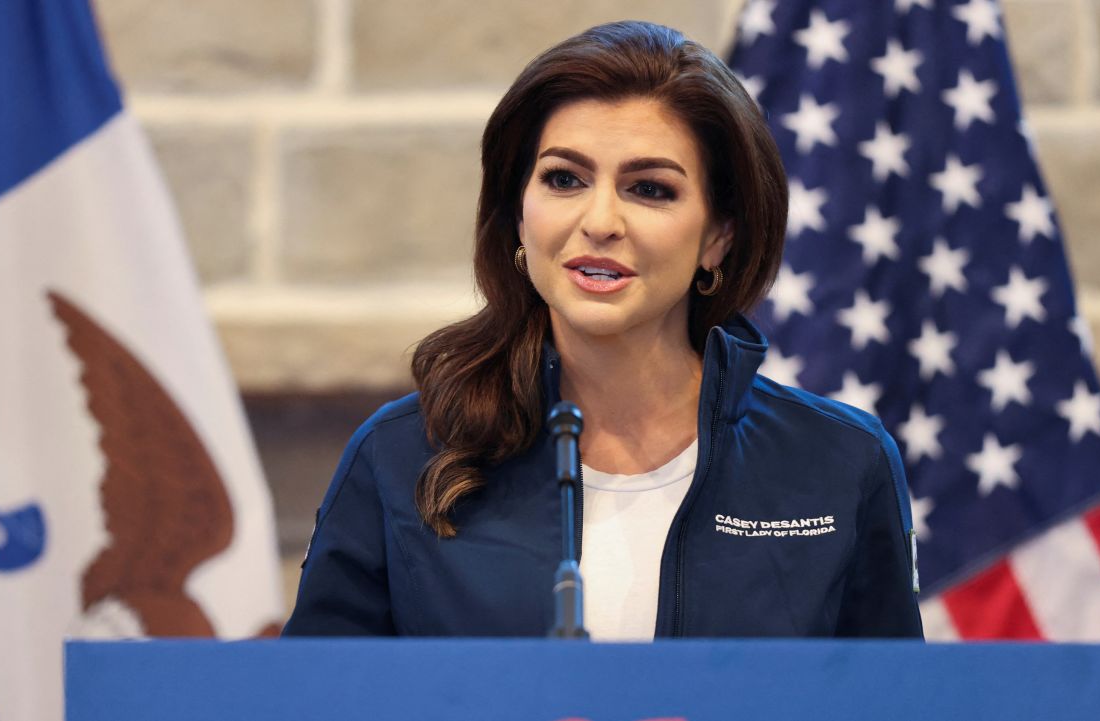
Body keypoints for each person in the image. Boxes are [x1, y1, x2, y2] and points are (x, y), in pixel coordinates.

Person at [283, 21, 923, 640]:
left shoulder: (839, 462)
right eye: (565, 179)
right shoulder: (400, 457)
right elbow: (313, 704)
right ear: (518, 215)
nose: (600, 221)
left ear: (718, 237)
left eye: (650, 189)